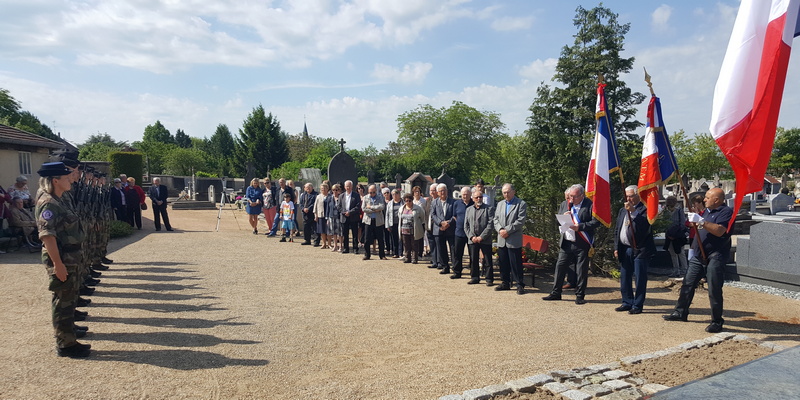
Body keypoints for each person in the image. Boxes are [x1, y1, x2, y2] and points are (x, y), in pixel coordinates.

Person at [35, 162, 91, 358]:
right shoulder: (49, 203)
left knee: (68, 299)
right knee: (63, 301)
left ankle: (69, 335)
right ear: (55, 180)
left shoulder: (58, 198)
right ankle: (65, 344)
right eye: (66, 178)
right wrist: (58, 265)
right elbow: (47, 236)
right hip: (63, 259)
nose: (71, 180)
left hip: (70, 258)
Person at [663, 188, 733, 333]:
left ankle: (716, 320)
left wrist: (702, 221)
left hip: (716, 255)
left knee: (714, 288)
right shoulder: (707, 211)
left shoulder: (725, 212)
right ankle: (680, 311)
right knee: (688, 283)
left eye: (707, 198)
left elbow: (720, 231)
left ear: (717, 200)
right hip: (699, 254)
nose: (704, 200)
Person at [543, 184, 599, 304]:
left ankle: (580, 295)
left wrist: (580, 226)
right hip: (567, 242)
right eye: (570, 197)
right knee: (560, 266)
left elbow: (596, 222)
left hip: (582, 242)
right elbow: (558, 220)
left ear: (581, 195)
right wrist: (563, 218)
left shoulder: (590, 204)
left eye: (574, 197)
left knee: (581, 270)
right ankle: (556, 293)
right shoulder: (565, 204)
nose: (571, 199)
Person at [613, 185, 655, 314]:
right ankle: (627, 301)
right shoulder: (622, 210)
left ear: (638, 196)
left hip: (640, 248)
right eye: (626, 196)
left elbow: (644, 227)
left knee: (640, 277)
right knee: (625, 277)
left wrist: (634, 213)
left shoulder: (645, 209)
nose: (628, 199)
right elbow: (617, 230)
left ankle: (637, 305)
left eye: (631, 196)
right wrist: (616, 247)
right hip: (624, 248)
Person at [493, 183, 528, 294]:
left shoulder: (521, 204)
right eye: (504, 192)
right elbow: (495, 219)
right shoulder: (500, 204)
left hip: (513, 238)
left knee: (515, 263)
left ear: (514, 191)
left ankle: (519, 284)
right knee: (503, 262)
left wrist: (507, 230)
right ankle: (505, 283)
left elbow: (520, 221)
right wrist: (500, 230)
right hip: (502, 238)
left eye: (508, 192)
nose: (506, 194)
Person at [464, 188, 494, 285]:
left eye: (480, 197)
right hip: (473, 239)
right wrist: (471, 237)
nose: (479, 199)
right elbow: (466, 225)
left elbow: (490, 224)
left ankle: (489, 279)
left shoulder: (489, 209)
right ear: (473, 199)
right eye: (476, 197)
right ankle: (475, 277)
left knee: (488, 260)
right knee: (473, 259)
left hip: (485, 239)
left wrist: (482, 237)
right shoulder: (468, 210)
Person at [431, 183, 456, 274]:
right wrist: (441, 223)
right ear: (437, 192)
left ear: (447, 191)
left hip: (450, 229)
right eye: (441, 191)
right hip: (439, 229)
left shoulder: (453, 202)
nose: (442, 192)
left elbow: (455, 215)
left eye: (444, 190)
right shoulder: (434, 202)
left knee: (453, 249)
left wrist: (448, 223)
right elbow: (433, 215)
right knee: (441, 249)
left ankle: (455, 267)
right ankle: (445, 266)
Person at [450, 187, 474, 279]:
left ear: (470, 194)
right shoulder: (456, 204)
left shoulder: (473, 203)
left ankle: (473, 273)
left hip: (471, 233)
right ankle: (457, 272)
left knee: (472, 254)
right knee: (457, 253)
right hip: (459, 232)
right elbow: (454, 216)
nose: (465, 196)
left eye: (467, 194)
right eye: (463, 194)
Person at [663, 195, 689, 278]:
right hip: (669, 235)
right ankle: (676, 270)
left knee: (681, 252)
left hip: (678, 235)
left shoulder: (679, 211)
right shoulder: (665, 211)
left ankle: (684, 270)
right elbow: (664, 222)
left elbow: (682, 224)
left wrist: (676, 234)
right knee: (672, 253)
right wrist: (668, 233)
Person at [558, 187, 578, 289]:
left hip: (578, 237)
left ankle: (575, 282)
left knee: (576, 262)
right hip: (566, 236)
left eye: (569, 197)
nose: (568, 200)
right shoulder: (563, 204)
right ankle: (568, 281)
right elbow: (559, 218)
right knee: (565, 262)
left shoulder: (578, 204)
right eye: (566, 198)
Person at [398, 193, 426, 264]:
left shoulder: (418, 208)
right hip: (404, 230)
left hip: (414, 229)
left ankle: (414, 258)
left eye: (409, 200)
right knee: (406, 244)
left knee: (414, 244)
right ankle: (407, 257)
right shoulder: (401, 208)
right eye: (406, 201)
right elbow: (399, 218)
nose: (408, 202)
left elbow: (422, 218)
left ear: (412, 200)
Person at [361, 184, 386, 260]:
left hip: (378, 221)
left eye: (373, 192)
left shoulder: (380, 197)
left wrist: (371, 207)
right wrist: (375, 210)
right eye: (370, 192)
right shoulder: (365, 198)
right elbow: (364, 209)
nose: (372, 194)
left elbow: (382, 206)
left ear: (376, 191)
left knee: (380, 239)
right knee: (367, 239)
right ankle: (367, 254)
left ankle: (382, 255)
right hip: (368, 221)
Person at [339, 180, 361, 254]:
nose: (348, 187)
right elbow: (339, 207)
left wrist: (350, 212)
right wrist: (344, 212)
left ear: (352, 186)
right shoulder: (341, 196)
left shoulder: (356, 195)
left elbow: (358, 206)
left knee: (355, 233)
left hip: (353, 217)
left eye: (349, 186)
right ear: (345, 187)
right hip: (344, 217)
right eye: (347, 186)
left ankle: (355, 248)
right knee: (345, 234)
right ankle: (346, 248)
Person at [384, 188, 404, 258]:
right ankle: (395, 253)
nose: (394, 195)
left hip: (401, 223)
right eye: (393, 194)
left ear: (399, 194)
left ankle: (401, 252)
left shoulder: (403, 203)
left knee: (401, 238)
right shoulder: (389, 203)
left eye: (396, 194)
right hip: (392, 223)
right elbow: (387, 215)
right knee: (394, 238)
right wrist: (387, 225)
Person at [411, 186, 427, 259]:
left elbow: (426, 211)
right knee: (413, 238)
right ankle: (414, 253)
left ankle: (420, 253)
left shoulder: (423, 201)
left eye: (418, 191)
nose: (417, 193)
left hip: (421, 221)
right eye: (415, 192)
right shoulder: (412, 201)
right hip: (412, 222)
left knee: (420, 238)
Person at [426, 185, 439, 268]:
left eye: (433, 190)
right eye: (430, 190)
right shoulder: (428, 200)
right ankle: (434, 261)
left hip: (437, 226)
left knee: (438, 244)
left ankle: (440, 262)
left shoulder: (439, 201)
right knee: (432, 244)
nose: (432, 192)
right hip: (429, 225)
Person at [327, 184, 343, 252]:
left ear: (339, 190)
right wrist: (327, 218)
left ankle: (341, 246)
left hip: (339, 217)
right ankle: (335, 245)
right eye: (333, 190)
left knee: (340, 232)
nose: (334, 191)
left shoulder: (341, 197)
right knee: (333, 232)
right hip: (332, 216)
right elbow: (327, 208)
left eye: (336, 190)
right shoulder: (330, 198)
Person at [314, 183, 330, 249]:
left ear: (327, 189)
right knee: (322, 230)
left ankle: (329, 244)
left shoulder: (330, 196)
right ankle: (324, 244)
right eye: (322, 189)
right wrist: (316, 215)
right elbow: (315, 207)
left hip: (328, 215)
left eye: (324, 188)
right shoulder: (318, 196)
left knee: (329, 230)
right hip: (321, 215)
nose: (323, 190)